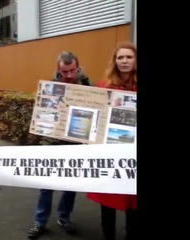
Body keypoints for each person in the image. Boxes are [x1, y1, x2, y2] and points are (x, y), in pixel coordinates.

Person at [28, 51, 92, 239]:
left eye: (72, 70)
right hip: (51, 143)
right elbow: (42, 115)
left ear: (77, 67)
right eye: (65, 71)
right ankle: (39, 222)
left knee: (70, 185)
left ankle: (64, 217)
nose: (69, 75)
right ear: (58, 69)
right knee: (46, 185)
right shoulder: (50, 87)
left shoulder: (88, 86)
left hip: (75, 143)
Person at [87, 41, 137, 240]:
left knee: (133, 201)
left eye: (129, 57)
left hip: (133, 155)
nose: (124, 61)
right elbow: (94, 116)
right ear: (115, 61)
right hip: (110, 153)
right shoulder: (104, 86)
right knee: (108, 200)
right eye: (120, 57)